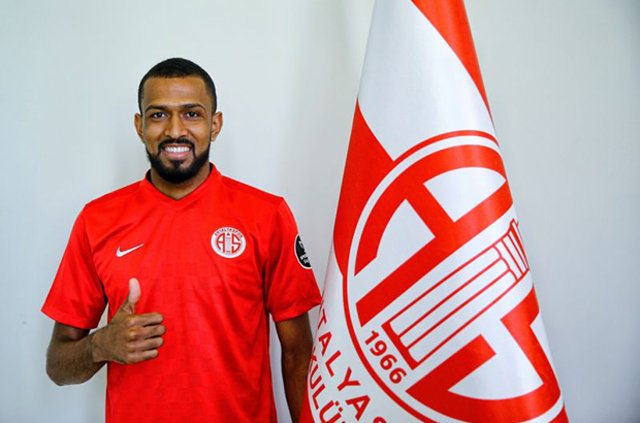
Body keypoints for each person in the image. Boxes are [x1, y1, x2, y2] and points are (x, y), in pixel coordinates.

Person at [42, 58, 322, 423]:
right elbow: (57, 366)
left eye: (192, 114)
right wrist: (100, 345)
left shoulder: (267, 215)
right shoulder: (96, 221)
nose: (175, 130)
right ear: (140, 126)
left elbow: (298, 354)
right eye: (159, 115)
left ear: (215, 125)